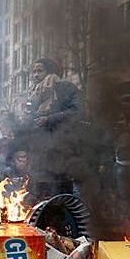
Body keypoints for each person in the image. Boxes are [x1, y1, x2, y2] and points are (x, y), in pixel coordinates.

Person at [24, 57, 82, 199]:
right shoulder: (34, 94)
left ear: (50, 71)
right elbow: (31, 123)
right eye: (34, 71)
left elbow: (77, 111)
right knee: (40, 199)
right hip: (39, 155)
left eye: (40, 70)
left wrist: (49, 119)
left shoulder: (65, 88)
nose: (36, 75)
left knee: (61, 198)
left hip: (61, 153)